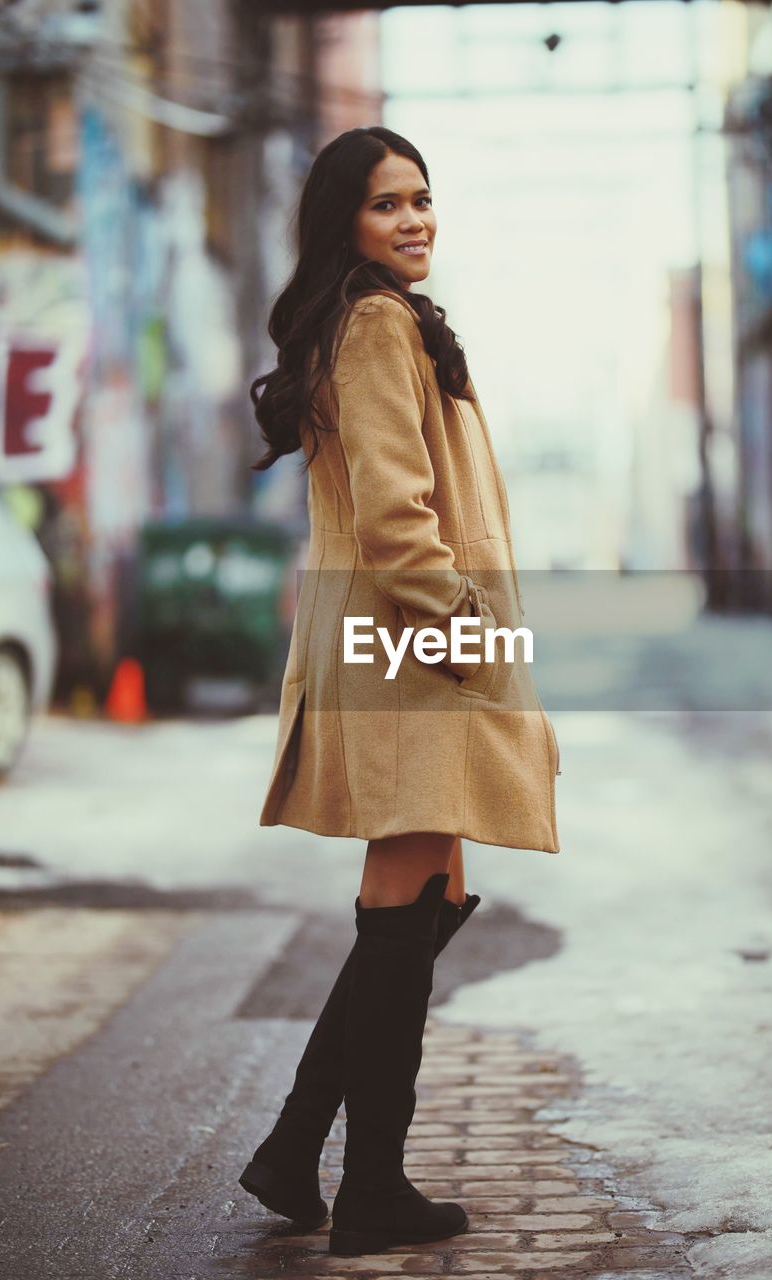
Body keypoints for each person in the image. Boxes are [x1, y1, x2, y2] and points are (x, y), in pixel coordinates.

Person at [240, 126, 560, 1257]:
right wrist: (467, 634)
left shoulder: (381, 318)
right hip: (411, 653)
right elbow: (394, 516)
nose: (415, 218)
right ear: (346, 223)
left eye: (423, 198)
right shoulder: (375, 322)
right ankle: (368, 1182)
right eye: (387, 204)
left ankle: (295, 1147)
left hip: (404, 649)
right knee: (401, 915)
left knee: (417, 909)